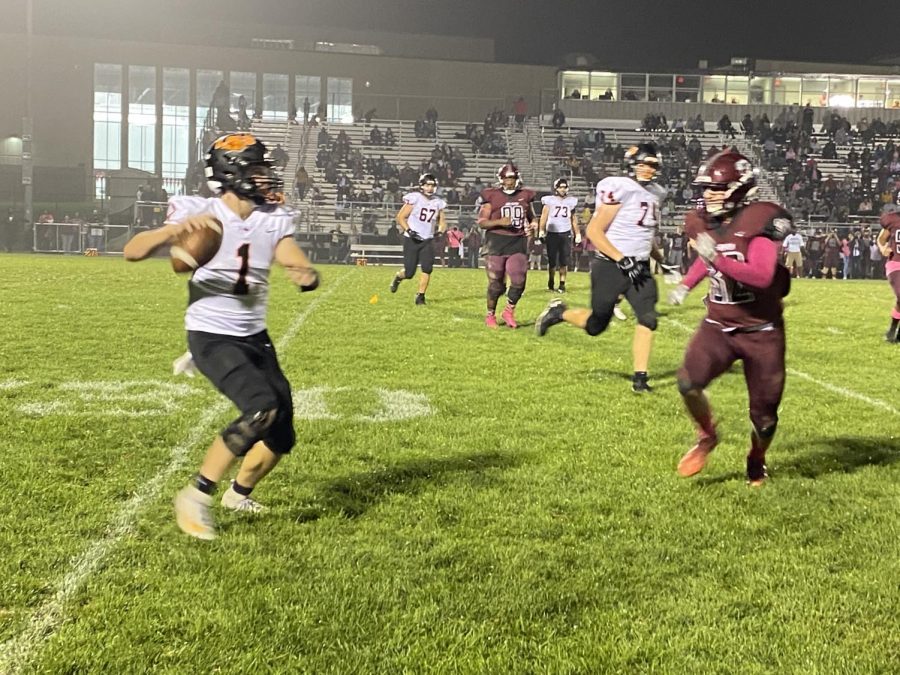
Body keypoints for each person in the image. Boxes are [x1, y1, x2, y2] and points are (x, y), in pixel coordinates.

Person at [122, 132, 320, 540]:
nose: (267, 177)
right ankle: (195, 495)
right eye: (258, 168)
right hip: (211, 333)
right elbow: (133, 250)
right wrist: (174, 231)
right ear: (233, 172)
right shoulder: (200, 211)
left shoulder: (273, 216)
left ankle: (238, 494)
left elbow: (287, 253)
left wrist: (303, 272)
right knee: (259, 409)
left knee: (281, 435)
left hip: (254, 336)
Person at [667, 150, 792, 486]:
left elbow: (762, 276)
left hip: (761, 331)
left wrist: (715, 259)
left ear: (740, 189)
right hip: (719, 325)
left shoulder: (760, 221)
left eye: (718, 189)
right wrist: (686, 284)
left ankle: (757, 457)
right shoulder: (705, 221)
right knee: (687, 383)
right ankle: (707, 435)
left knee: (764, 419)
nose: (709, 195)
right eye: (707, 188)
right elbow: (710, 258)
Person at [535, 144, 666, 393]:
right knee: (596, 326)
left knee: (648, 317)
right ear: (632, 164)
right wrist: (620, 258)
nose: (648, 169)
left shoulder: (657, 193)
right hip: (610, 265)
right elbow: (594, 231)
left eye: (652, 165)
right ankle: (559, 312)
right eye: (643, 164)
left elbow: (645, 233)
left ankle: (640, 378)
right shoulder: (621, 188)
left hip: (639, 266)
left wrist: (659, 258)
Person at [477, 162, 537, 328]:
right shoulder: (491, 196)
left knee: (519, 278)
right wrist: (500, 222)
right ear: (501, 179)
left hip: (517, 241)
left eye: (513, 177)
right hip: (496, 241)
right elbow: (482, 222)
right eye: (507, 177)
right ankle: (490, 315)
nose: (511, 181)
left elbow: (532, 216)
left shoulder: (525, 195)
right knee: (496, 283)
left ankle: (509, 310)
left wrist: (534, 224)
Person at [389, 173, 447, 305]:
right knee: (409, 273)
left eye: (432, 185)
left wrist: (440, 232)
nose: (430, 188)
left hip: (427, 240)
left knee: (427, 268)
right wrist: (409, 230)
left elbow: (443, 221)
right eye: (427, 185)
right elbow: (400, 217)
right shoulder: (415, 198)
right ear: (422, 186)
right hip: (412, 239)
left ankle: (420, 296)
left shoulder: (438, 202)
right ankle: (398, 277)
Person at [539, 177, 580, 293]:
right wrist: (541, 231)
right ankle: (551, 280)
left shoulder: (571, 201)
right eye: (560, 187)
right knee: (552, 260)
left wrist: (577, 233)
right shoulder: (549, 200)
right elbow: (544, 216)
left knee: (564, 260)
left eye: (564, 187)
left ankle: (562, 284)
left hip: (565, 232)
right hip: (552, 232)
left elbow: (573, 219)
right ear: (556, 188)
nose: (563, 189)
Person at [877, 200, 900, 342]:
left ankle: (894, 332)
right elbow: (881, 239)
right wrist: (882, 248)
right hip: (896, 263)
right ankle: (893, 331)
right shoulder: (892, 219)